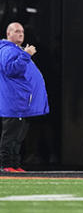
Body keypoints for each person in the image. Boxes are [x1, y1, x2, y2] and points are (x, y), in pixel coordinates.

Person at [0, 22, 48, 172]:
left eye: (22, 31)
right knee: (11, 135)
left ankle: (14, 164)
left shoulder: (15, 49)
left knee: (18, 137)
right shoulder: (8, 50)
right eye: (16, 31)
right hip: (14, 102)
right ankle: (7, 165)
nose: (21, 33)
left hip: (21, 103)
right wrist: (26, 55)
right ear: (8, 34)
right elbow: (11, 69)